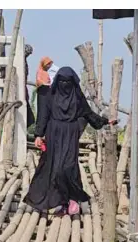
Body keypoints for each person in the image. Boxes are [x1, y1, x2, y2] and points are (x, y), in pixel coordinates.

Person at [25, 66, 115, 216]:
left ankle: (71, 199)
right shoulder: (49, 95)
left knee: (68, 167)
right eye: (62, 81)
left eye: (68, 82)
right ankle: (50, 202)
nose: (65, 85)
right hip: (53, 133)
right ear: (57, 82)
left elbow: (89, 114)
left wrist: (105, 121)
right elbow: (43, 116)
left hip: (70, 134)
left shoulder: (77, 97)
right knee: (52, 167)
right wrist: (39, 135)